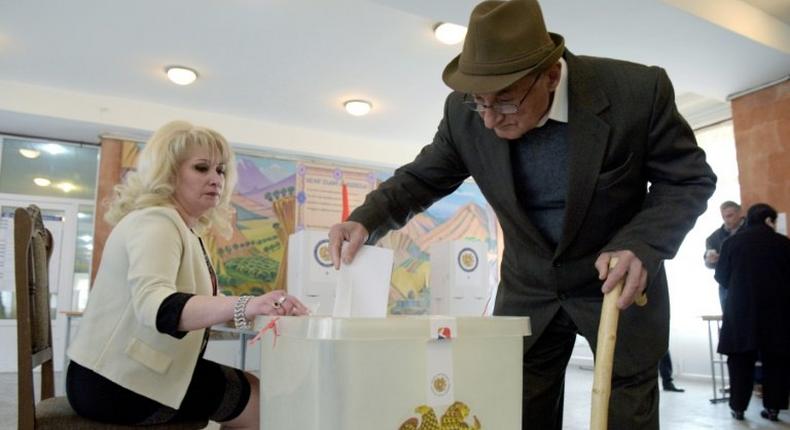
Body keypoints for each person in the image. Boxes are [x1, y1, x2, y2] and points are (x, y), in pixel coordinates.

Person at [328, 0, 715, 428]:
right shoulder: (464, 114)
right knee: (518, 410)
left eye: (506, 103)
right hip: (529, 287)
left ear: (550, 75)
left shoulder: (636, 93)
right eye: (480, 102)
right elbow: (422, 178)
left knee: (627, 413)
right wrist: (366, 219)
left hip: (615, 288)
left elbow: (687, 180)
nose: (490, 119)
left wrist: (640, 244)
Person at [66, 121, 309, 427]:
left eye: (220, 170)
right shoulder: (157, 221)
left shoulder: (179, 226)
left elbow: (202, 304)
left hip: (123, 373)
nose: (215, 179)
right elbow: (158, 306)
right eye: (201, 168)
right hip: (116, 383)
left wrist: (258, 308)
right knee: (263, 404)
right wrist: (247, 304)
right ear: (169, 172)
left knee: (256, 393)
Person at [715, 203, 790, 422]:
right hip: (777, 313)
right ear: (769, 220)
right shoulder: (784, 244)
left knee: (740, 361)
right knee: (776, 362)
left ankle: (738, 408)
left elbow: (721, 277)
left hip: (740, 311)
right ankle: (774, 409)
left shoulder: (731, 243)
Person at [704, 201, 744, 311]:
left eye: (730, 215)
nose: (726, 219)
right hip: (727, 284)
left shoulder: (751, 231)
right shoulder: (714, 237)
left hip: (748, 281)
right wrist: (710, 260)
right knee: (729, 317)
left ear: (740, 213)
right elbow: (707, 262)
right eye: (724, 216)